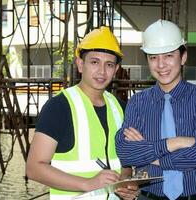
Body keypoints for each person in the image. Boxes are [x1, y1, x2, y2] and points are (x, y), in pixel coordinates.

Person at [26, 26, 138, 200]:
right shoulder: (59, 107)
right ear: (80, 64)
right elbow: (34, 168)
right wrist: (88, 183)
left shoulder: (121, 108)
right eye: (94, 62)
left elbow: (125, 165)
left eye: (109, 65)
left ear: (116, 69)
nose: (102, 71)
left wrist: (125, 183)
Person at [115, 19, 196, 200]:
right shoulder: (138, 102)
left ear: (183, 56)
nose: (161, 65)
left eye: (168, 55)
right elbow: (125, 152)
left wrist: (151, 157)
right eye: (153, 57)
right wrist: (176, 142)